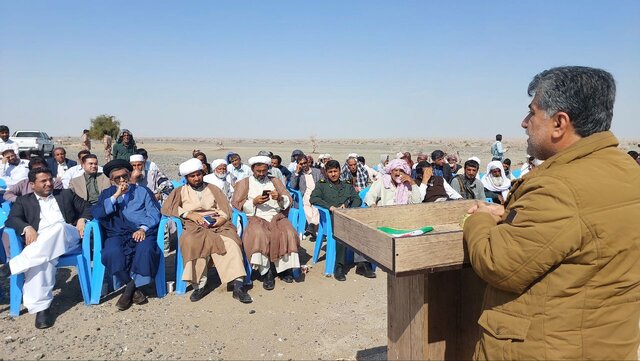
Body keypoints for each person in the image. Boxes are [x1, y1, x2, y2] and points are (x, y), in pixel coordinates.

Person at [464, 66, 640, 360]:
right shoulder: (626, 171)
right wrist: (510, 214)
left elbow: (497, 263)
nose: (524, 123)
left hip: (547, 348)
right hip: (607, 344)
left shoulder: (558, 187)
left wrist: (479, 218)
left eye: (532, 113)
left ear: (559, 123)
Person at [5, 168, 91, 329]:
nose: (49, 183)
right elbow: (12, 220)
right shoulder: (24, 201)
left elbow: (86, 206)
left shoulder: (65, 194)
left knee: (58, 227)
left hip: (68, 237)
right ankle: (42, 309)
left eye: (50, 179)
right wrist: (26, 227)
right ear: (32, 184)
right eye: (43, 181)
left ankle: (14, 265)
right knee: (44, 260)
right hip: (42, 245)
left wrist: (82, 219)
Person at [162, 158, 252, 303]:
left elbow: (225, 209)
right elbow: (168, 208)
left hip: (218, 224)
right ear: (186, 178)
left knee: (231, 242)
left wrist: (221, 219)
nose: (196, 178)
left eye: (199, 174)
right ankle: (200, 285)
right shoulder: (180, 191)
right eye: (192, 176)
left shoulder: (213, 188)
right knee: (191, 243)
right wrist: (188, 214)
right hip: (194, 226)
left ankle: (238, 286)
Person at [90, 159, 161, 311]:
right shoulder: (107, 194)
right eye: (118, 178)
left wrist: (142, 229)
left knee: (146, 249)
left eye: (125, 176)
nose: (122, 180)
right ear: (111, 180)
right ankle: (131, 287)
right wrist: (116, 195)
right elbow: (99, 213)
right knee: (111, 251)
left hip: (142, 232)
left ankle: (129, 290)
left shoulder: (142, 191)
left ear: (129, 175)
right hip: (117, 233)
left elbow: (154, 213)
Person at [231, 156, 300, 291]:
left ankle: (283, 269)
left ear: (268, 169)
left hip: (276, 216)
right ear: (252, 169)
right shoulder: (244, 183)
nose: (261, 173)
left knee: (288, 232)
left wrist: (279, 198)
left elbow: (288, 200)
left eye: (264, 170)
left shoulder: (275, 181)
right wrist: (254, 202)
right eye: (258, 171)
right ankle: (266, 271)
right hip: (256, 217)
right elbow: (237, 204)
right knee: (259, 234)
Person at [310, 160, 374, 281]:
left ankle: (363, 264)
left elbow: (357, 200)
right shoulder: (321, 185)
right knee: (342, 231)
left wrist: (347, 207)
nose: (333, 174)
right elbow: (313, 198)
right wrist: (330, 207)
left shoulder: (347, 185)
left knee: (363, 229)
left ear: (340, 171)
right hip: (331, 218)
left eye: (335, 171)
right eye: (330, 172)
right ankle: (339, 266)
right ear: (326, 173)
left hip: (347, 216)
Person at [289, 154, 324, 240]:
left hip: (317, 195)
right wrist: (296, 173)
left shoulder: (317, 172)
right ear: (298, 164)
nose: (304, 165)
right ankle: (315, 231)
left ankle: (312, 227)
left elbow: (323, 184)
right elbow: (292, 186)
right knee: (307, 208)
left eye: (305, 163)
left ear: (308, 162)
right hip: (305, 196)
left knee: (316, 207)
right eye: (301, 164)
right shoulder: (297, 174)